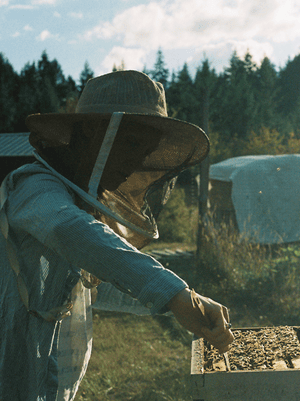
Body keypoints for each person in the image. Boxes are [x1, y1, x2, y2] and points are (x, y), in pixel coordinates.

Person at [0, 70, 234, 400]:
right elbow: (70, 231)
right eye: (132, 144)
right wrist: (173, 293)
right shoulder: (35, 188)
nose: (138, 161)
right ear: (95, 134)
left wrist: (180, 300)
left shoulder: (74, 197)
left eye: (146, 150)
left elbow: (93, 285)